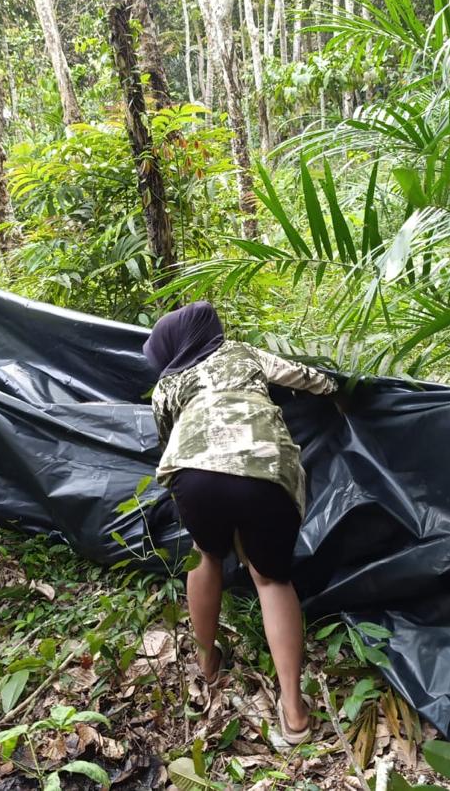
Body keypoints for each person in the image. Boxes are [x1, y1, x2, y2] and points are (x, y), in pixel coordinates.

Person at [144, 301, 338, 745]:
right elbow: (303, 377)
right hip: (265, 468)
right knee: (270, 579)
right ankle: (294, 713)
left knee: (206, 556)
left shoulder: (168, 384)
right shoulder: (243, 353)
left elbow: (165, 440)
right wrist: (340, 391)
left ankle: (208, 665)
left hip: (194, 475)